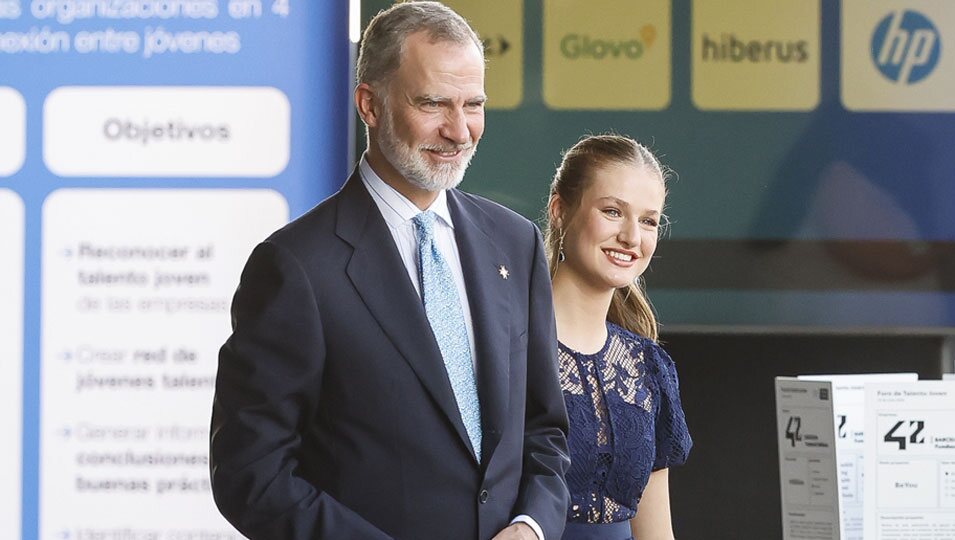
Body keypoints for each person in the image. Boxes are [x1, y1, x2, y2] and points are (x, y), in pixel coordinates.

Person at [209, 2, 570, 539]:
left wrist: (530, 525)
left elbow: (544, 430)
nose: (459, 130)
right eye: (433, 103)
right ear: (369, 105)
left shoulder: (515, 243)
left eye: (474, 104)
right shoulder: (295, 268)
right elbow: (251, 473)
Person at [543, 135, 692, 540]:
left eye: (648, 221)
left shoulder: (647, 367)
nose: (631, 237)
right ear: (560, 211)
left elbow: (656, 533)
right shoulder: (508, 346)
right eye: (612, 211)